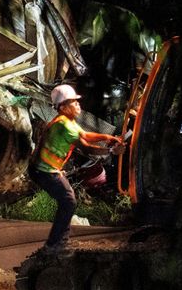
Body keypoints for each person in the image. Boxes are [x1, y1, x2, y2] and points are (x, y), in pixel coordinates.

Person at [28, 84, 123, 254]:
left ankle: (59, 243)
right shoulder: (65, 126)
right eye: (73, 102)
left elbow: (85, 135)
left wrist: (107, 137)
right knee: (68, 201)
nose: (78, 105)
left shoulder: (66, 121)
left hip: (45, 169)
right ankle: (54, 245)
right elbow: (86, 147)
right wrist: (110, 150)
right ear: (63, 107)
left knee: (68, 200)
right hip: (44, 172)